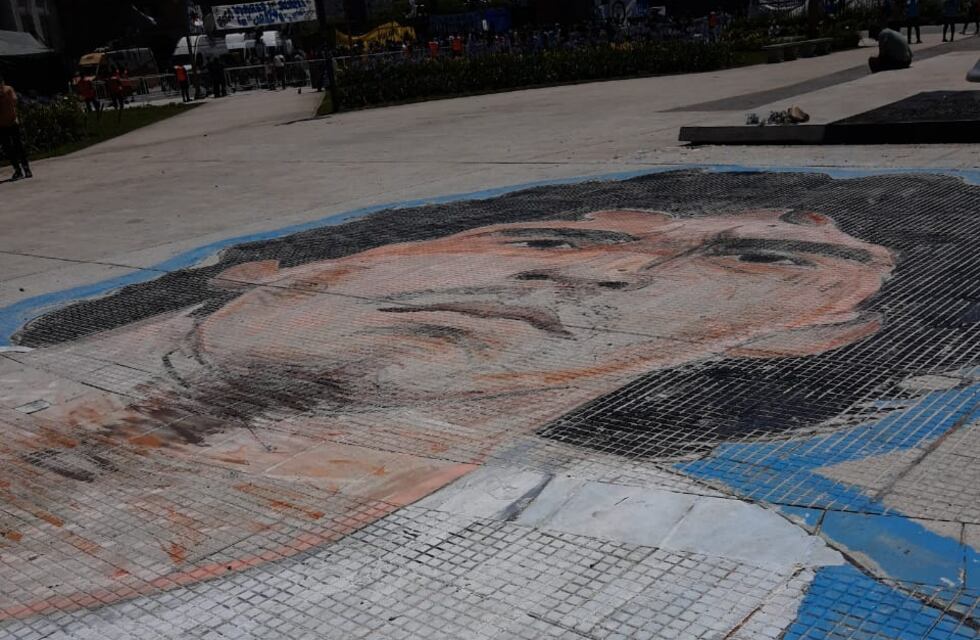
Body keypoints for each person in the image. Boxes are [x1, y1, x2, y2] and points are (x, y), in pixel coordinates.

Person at [0, 74, 31, 181]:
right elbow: (15, 100)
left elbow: (14, 100)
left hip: (7, 124)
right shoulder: (8, 89)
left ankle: (21, 170)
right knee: (15, 147)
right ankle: (23, 170)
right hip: (8, 123)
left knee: (13, 147)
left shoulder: (8, 89)